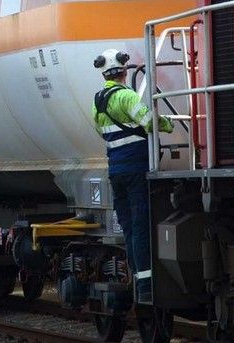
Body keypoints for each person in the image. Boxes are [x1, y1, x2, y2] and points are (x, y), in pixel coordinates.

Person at [91, 48, 173, 300]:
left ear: (105, 74)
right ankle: (147, 286)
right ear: (125, 72)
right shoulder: (126, 97)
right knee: (140, 226)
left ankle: (138, 277)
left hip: (116, 172)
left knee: (127, 227)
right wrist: (168, 123)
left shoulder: (98, 103)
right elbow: (148, 121)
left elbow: (102, 134)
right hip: (136, 169)